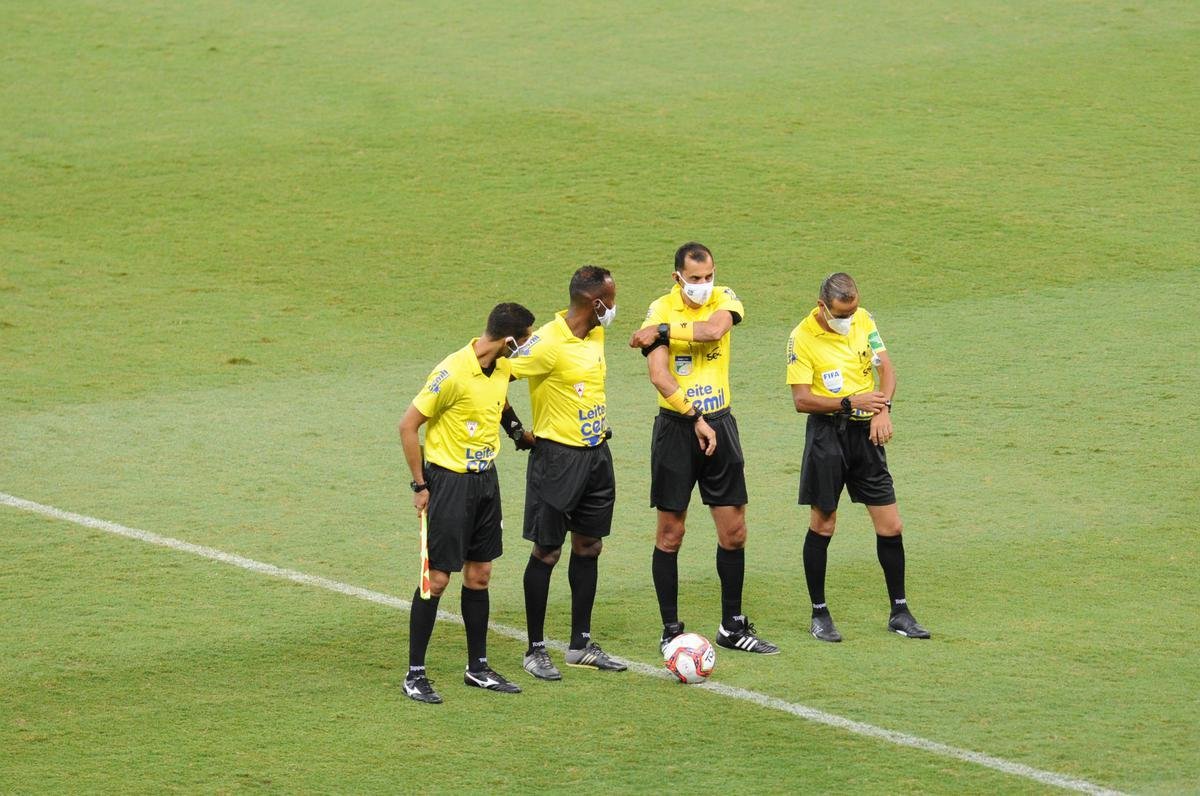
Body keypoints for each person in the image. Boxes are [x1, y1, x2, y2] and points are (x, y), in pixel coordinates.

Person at [629, 242, 779, 655]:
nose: (703, 284)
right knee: (670, 533)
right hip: (677, 430)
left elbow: (714, 330)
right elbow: (659, 376)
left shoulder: (723, 298)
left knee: (734, 532)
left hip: (721, 425)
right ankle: (670, 630)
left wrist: (661, 333)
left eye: (708, 275)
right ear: (677, 277)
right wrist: (695, 416)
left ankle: (732, 626)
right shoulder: (659, 308)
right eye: (694, 279)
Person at [397, 302, 536, 704]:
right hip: (448, 482)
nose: (526, 347)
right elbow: (408, 425)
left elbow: (501, 401)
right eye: (524, 339)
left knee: (479, 576)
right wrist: (419, 485)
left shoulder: (502, 367)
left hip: (485, 482)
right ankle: (415, 674)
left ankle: (477, 668)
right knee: (437, 579)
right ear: (508, 338)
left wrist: (516, 432)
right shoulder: (452, 372)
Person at [786, 272, 930, 642]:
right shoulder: (802, 337)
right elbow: (802, 400)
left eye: (852, 312)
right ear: (822, 306)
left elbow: (886, 367)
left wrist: (883, 408)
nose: (849, 319)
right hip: (827, 435)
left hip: (866, 434)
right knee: (824, 524)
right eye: (841, 314)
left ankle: (899, 611)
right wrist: (850, 402)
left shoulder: (863, 318)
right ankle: (820, 614)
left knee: (891, 525)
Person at [508, 265, 628, 680]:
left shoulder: (595, 332)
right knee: (547, 551)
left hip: (597, 455)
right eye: (611, 300)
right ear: (595, 303)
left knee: (589, 546)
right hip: (556, 460)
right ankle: (535, 649)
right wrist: (516, 432)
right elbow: (492, 371)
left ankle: (580, 644)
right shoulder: (544, 343)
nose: (614, 307)